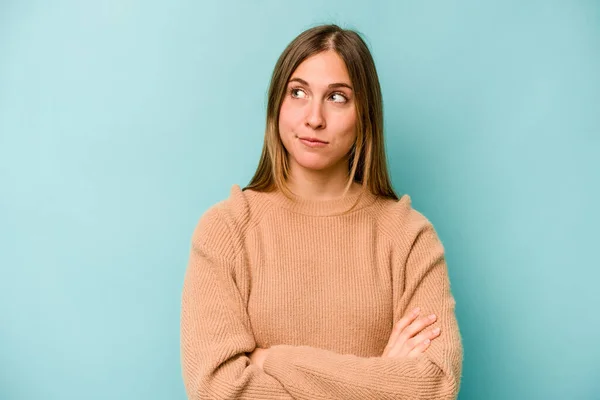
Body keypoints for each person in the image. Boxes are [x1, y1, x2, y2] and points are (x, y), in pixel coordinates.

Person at [180, 24, 463, 399]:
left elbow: (434, 387)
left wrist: (272, 361)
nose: (314, 117)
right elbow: (219, 390)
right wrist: (382, 378)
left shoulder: (409, 236)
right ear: (276, 104)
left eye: (337, 97)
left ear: (365, 113)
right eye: (298, 92)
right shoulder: (226, 231)